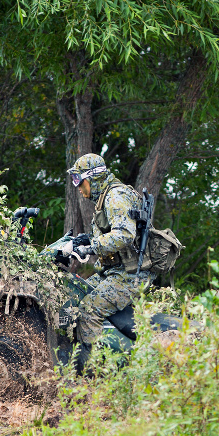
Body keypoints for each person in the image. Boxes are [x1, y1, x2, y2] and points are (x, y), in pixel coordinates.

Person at [65, 153, 150, 366]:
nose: (77, 187)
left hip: (129, 276)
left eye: (79, 180)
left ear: (92, 178)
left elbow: (124, 235)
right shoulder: (106, 196)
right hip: (114, 272)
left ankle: (91, 372)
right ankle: (70, 359)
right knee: (76, 292)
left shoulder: (115, 197)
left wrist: (91, 247)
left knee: (89, 308)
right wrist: (85, 240)